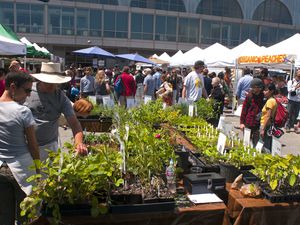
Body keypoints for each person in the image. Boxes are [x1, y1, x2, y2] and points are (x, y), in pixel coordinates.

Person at [24, 62, 88, 161]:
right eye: (47, 82)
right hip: (24, 147)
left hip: (48, 148)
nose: (51, 86)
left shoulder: (60, 96)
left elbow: (75, 124)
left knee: (48, 175)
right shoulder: (27, 90)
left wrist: (79, 143)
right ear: (41, 80)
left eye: (54, 83)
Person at [0, 71, 40, 225]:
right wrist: (38, 169)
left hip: (1, 169)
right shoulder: (23, 111)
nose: (29, 95)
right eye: (27, 90)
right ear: (13, 87)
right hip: (21, 169)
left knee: (4, 216)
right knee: (26, 216)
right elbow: (33, 145)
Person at [240, 78, 265, 147]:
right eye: (252, 87)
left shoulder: (263, 97)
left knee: (256, 144)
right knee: (246, 143)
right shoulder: (249, 96)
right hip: (248, 122)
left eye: (254, 87)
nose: (252, 89)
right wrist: (242, 123)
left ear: (259, 88)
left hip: (258, 124)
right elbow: (244, 110)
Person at [260, 83, 278, 153]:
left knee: (265, 146)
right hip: (268, 125)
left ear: (271, 91)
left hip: (266, 125)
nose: (264, 92)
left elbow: (268, 116)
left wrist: (263, 128)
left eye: (266, 90)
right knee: (266, 145)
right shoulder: (272, 100)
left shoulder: (270, 101)